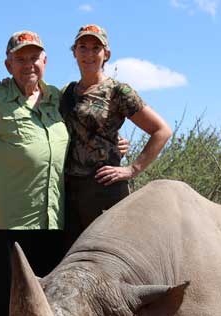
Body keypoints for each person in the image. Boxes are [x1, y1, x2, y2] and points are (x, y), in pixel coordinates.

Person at [0, 30, 69, 316]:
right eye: (20, 58)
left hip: (55, 220)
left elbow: (92, 128)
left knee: (50, 305)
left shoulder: (59, 99)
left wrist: (118, 145)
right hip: (11, 221)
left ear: (45, 61)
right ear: (8, 65)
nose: (28, 65)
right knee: (5, 305)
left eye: (34, 58)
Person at [60, 24, 173, 246]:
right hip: (69, 191)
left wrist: (133, 169)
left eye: (96, 48)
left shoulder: (118, 91)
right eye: (83, 47)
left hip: (105, 189)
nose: (89, 54)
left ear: (106, 54)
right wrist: (8, 85)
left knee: (110, 259)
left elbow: (162, 131)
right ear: (74, 52)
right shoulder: (65, 93)